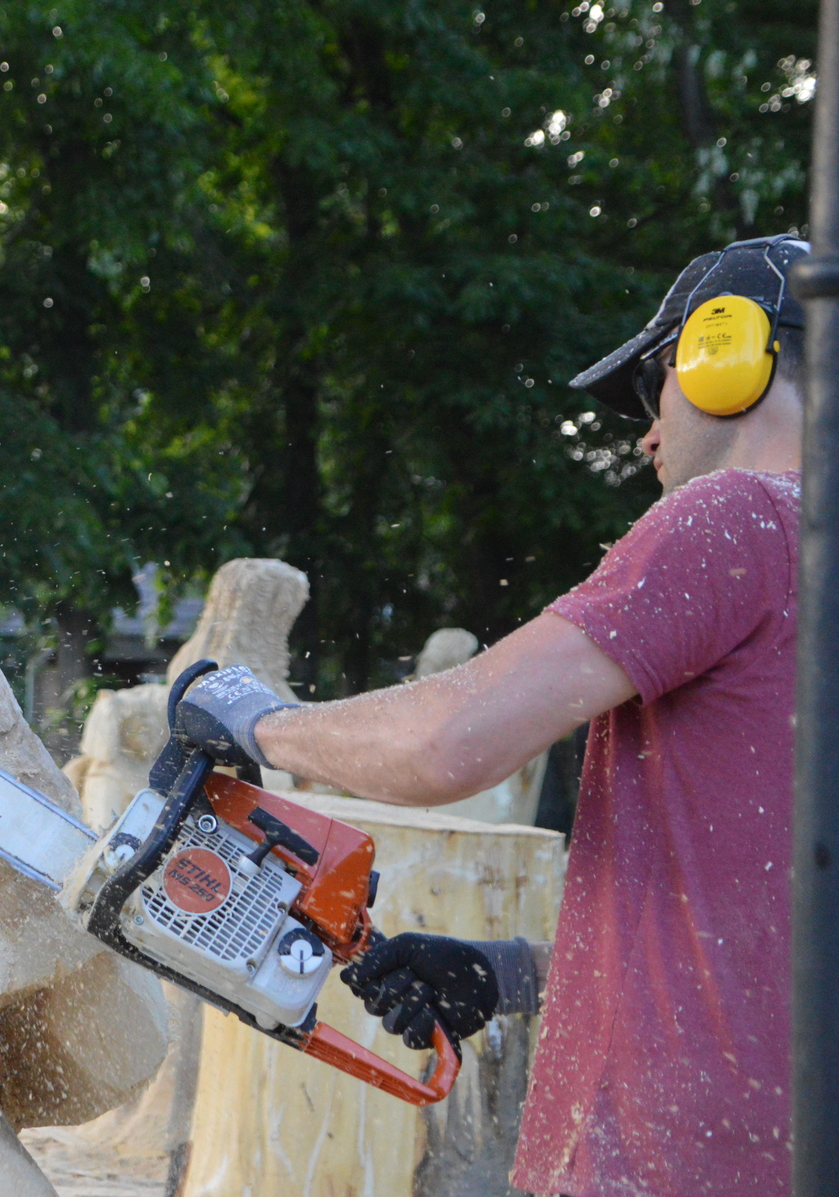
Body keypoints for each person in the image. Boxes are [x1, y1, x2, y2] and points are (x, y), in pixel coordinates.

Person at [175, 235, 805, 1196]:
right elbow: (770, 919)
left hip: (672, 1166)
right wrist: (514, 972)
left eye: (654, 390)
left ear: (731, 353)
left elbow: (449, 741)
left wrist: (260, 721)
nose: (645, 435)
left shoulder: (736, 518)